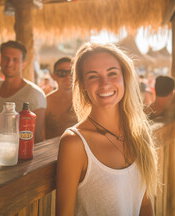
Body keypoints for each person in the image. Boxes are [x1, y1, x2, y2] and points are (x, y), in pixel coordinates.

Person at [56, 42, 158, 215]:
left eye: (112, 73)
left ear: (125, 78)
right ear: (82, 85)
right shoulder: (74, 143)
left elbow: (145, 205)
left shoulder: (139, 135)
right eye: (93, 76)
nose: (105, 84)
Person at [0, 40, 46, 156]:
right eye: (6, 58)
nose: (9, 63)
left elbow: (38, 139)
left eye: (15, 59)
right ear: (0, 60)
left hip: (21, 163)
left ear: (24, 64)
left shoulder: (35, 95)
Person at [44, 57, 78, 140]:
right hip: (52, 150)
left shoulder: (85, 100)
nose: (67, 77)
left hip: (79, 148)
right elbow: (40, 134)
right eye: (62, 73)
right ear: (54, 76)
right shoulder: (46, 101)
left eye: (71, 73)